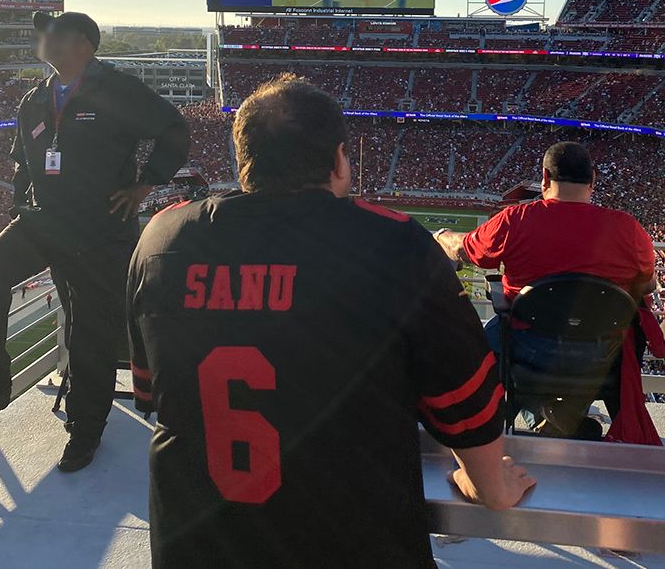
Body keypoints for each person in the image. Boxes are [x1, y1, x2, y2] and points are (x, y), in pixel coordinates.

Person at [127, 75, 535, 568]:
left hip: (197, 543)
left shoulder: (162, 238)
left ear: (242, 162)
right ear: (340, 159)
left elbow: (150, 391)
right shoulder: (394, 243)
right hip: (349, 540)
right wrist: (489, 484)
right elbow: (463, 400)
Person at [0, 11, 190, 473]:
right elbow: (21, 162)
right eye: (42, 32)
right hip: (44, 222)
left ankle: (85, 431)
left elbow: (174, 129)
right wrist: (18, 204)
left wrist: (145, 184)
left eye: (56, 33)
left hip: (99, 229)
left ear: (84, 45)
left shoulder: (118, 90)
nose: (43, 39)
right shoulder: (34, 99)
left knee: (89, 331)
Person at [435, 142, 656, 436]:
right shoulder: (627, 229)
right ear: (593, 179)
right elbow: (648, 283)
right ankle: (555, 418)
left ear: (545, 177)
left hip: (527, 348)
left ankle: (474, 428)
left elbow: (465, 250)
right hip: (600, 352)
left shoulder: (517, 220)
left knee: (470, 350)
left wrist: (442, 236)